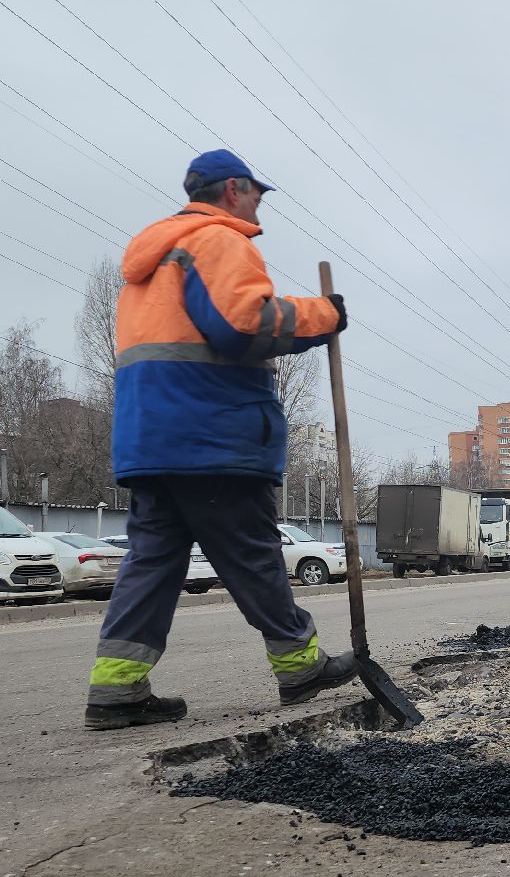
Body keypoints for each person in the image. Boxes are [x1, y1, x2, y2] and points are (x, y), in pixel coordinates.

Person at [84, 149, 355, 730]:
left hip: (152, 441)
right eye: (256, 191)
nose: (260, 203)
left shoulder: (151, 262)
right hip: (212, 434)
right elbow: (244, 324)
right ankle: (300, 665)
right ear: (233, 189)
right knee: (253, 554)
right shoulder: (220, 240)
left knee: (152, 562)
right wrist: (323, 315)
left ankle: (117, 689)